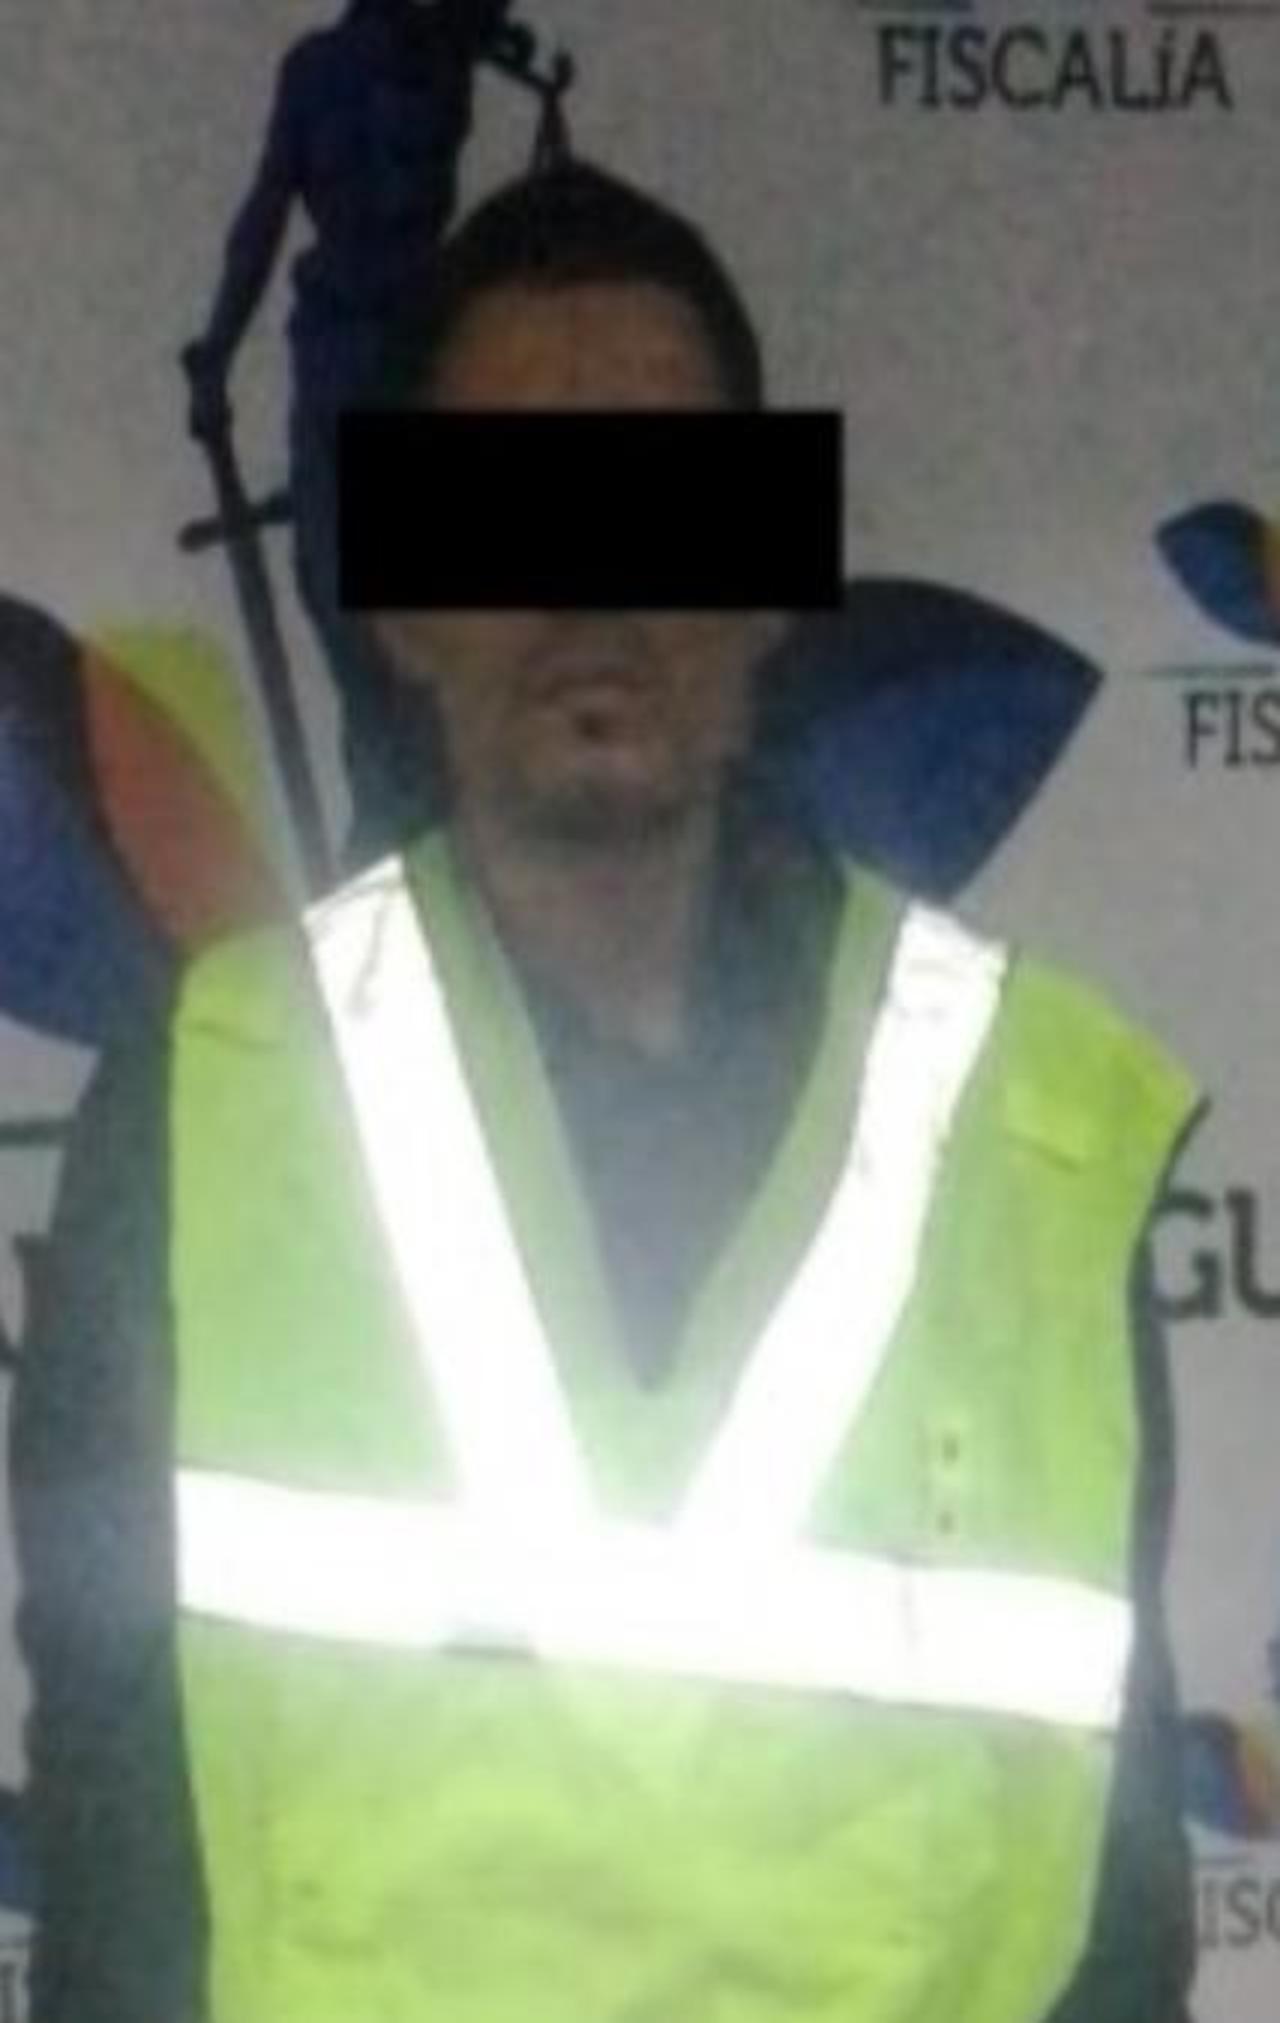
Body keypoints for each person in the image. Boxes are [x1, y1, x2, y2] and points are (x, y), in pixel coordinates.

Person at [16, 163, 1200, 2023]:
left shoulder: (1031, 1128)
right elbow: (115, 1833)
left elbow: (1113, 1909)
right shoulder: (202, 1104)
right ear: (403, 609)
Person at [183, 0, 548, 847]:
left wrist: (218, 353)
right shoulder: (393, 62)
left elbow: (265, 217)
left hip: (403, 357)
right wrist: (216, 351)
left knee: (398, 650)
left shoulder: (415, 58)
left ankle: (402, 830)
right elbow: (264, 216)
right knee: (359, 633)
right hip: (360, 358)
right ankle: (390, 834)